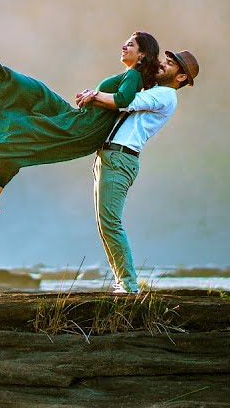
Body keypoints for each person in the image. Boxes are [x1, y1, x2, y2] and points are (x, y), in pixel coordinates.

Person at [0, 26, 161, 214]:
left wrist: (94, 95)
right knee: (36, 92)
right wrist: (91, 97)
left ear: (142, 54)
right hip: (82, 118)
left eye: (131, 44)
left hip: (84, 127)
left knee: (27, 131)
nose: (124, 46)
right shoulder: (129, 75)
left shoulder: (133, 76)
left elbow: (122, 100)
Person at [76, 48, 199, 294]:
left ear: (181, 77)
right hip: (112, 156)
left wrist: (94, 95)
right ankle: (123, 282)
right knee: (106, 224)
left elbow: (126, 101)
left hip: (120, 158)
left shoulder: (166, 95)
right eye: (166, 60)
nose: (163, 64)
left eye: (171, 63)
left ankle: (128, 285)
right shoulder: (157, 90)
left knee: (110, 223)